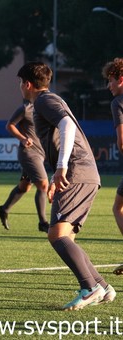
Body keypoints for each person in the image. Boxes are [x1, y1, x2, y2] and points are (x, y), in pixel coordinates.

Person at [17, 61, 115, 311]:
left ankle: (90, 287)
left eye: (20, 83)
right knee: (66, 236)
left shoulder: (42, 101)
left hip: (75, 171)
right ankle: (101, 287)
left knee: (57, 235)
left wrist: (61, 168)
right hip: (85, 172)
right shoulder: (52, 99)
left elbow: (67, 126)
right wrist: (55, 175)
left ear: (27, 84)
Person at [0, 101, 49, 232]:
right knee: (43, 185)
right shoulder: (26, 109)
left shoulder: (47, 108)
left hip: (40, 153)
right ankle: (43, 223)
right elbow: (10, 125)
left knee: (24, 186)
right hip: (29, 153)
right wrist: (23, 138)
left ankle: (4, 209)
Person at [102, 57, 123, 276]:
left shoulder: (118, 102)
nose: (109, 86)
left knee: (118, 207)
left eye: (111, 81)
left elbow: (122, 140)